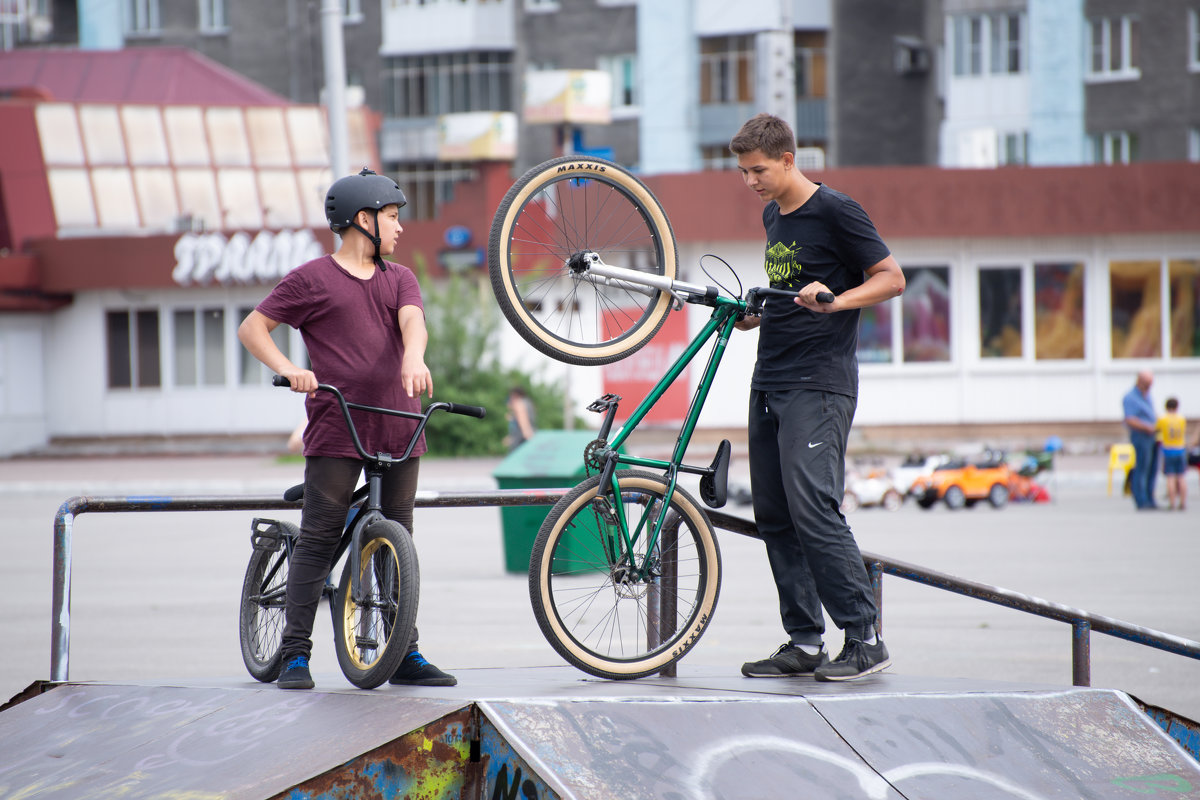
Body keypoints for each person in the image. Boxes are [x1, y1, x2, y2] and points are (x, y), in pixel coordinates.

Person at [237, 168, 456, 690]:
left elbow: (413, 322)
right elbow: (252, 327)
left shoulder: (399, 276)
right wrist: (290, 369)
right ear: (364, 220)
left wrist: (415, 357)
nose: (400, 228)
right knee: (319, 538)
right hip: (339, 426)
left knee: (396, 541)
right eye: (392, 217)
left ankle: (404, 652)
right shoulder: (313, 279)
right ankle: (294, 653)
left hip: (400, 426)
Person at [728, 113, 906, 682]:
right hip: (770, 378)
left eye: (758, 170)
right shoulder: (771, 215)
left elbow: (892, 278)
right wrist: (755, 316)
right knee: (774, 515)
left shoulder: (836, 210)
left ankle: (866, 637)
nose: (750, 181)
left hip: (819, 382)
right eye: (743, 172)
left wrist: (838, 299)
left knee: (813, 508)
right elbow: (787, 292)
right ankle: (804, 641)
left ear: (787, 160)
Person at [1123, 370, 1158, 510]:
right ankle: (1141, 500)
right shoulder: (1130, 397)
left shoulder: (1147, 396)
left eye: (1151, 384)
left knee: (1152, 468)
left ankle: (1150, 498)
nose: (1149, 387)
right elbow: (1129, 419)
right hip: (1140, 436)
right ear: (1140, 381)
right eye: (1147, 384)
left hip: (1153, 435)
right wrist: (1147, 427)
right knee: (1142, 468)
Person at [1157, 397, 1188, 511]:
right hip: (1180, 448)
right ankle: (1183, 502)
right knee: (1181, 476)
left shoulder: (1163, 419)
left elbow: (1157, 430)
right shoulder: (1181, 419)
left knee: (1170, 477)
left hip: (1168, 450)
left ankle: (1172, 502)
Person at [504, 385, 536, 451]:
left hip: (522, 438)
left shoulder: (519, 403)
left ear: (515, 395)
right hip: (526, 435)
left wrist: (526, 433)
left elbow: (523, 419)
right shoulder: (528, 402)